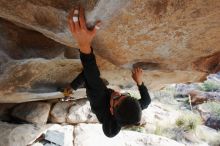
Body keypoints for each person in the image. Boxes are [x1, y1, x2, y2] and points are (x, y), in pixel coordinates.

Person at [66, 6, 151, 137]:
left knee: (92, 79)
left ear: (111, 109)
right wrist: (140, 83)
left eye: (117, 98)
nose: (118, 93)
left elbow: (91, 71)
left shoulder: (99, 100)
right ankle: (74, 87)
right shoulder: (131, 107)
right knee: (95, 80)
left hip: (98, 96)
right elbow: (146, 101)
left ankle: (72, 87)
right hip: (112, 107)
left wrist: (83, 44)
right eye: (125, 95)